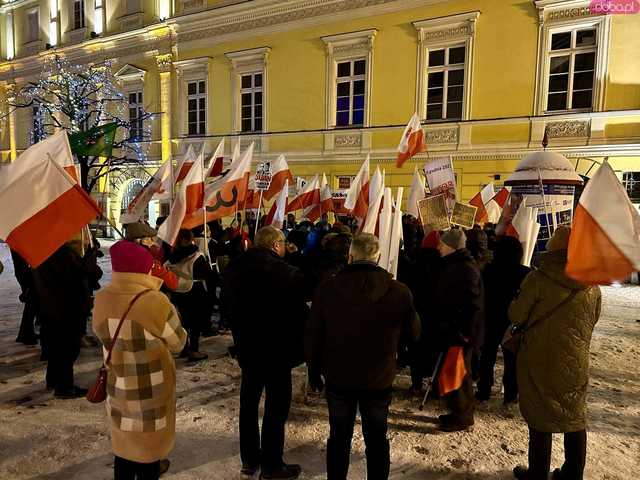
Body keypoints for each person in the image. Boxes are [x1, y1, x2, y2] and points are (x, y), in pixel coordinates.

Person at [306, 233, 420, 480]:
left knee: (339, 436)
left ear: (351, 256)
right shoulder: (399, 291)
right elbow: (414, 334)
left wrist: (314, 375)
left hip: (339, 376)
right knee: (377, 437)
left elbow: (314, 336)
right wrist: (398, 359)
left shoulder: (327, 289)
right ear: (378, 257)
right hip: (378, 377)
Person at [509, 226, 601, 480]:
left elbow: (517, 315)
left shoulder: (538, 279)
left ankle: (537, 474)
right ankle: (573, 473)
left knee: (540, 418)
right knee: (575, 418)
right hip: (576, 360)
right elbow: (593, 319)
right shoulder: (592, 284)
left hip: (539, 360)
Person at [93, 240, 187, 480]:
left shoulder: (102, 298)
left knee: (124, 449)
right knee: (148, 453)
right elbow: (179, 343)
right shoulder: (155, 302)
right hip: (151, 390)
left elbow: (102, 335)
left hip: (119, 384)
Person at [224, 226, 308, 480]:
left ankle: (249, 459)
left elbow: (227, 307)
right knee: (276, 408)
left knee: (248, 405)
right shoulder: (287, 273)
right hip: (277, 351)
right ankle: (272, 464)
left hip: (247, 349)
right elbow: (300, 309)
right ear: (276, 245)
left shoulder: (234, 268)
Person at [433, 229, 484, 432]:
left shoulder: (465, 269)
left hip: (461, 332)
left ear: (451, 246)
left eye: (442, 244)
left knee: (460, 374)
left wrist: (465, 332)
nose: (438, 247)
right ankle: (458, 412)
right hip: (455, 329)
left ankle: (462, 416)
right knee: (456, 372)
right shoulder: (456, 265)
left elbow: (473, 305)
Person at [32, 237, 92, 398]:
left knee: (56, 347)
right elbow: (76, 276)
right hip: (67, 309)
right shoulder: (62, 255)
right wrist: (87, 258)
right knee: (68, 349)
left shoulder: (40, 253)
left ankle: (53, 380)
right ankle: (65, 386)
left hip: (50, 309)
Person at [476, 236, 530, 404]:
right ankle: (511, 393)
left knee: (487, 356)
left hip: (491, 318)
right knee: (512, 358)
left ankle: (484, 390)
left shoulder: (488, 270)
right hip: (514, 321)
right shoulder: (525, 273)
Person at [165, 229, 213, 362]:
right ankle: (194, 349)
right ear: (188, 239)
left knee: (183, 321)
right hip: (195, 290)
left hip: (178, 290)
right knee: (196, 322)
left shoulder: (172, 256)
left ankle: (183, 348)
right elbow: (206, 274)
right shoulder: (197, 255)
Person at [123, 221, 179, 292]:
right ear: (143, 241)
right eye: (151, 238)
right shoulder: (146, 261)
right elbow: (173, 283)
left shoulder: (121, 257)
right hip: (146, 298)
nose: (153, 241)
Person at [11, 249, 39, 345]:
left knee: (31, 302)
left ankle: (25, 333)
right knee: (31, 302)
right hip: (26, 272)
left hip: (25, 271)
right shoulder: (19, 242)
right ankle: (26, 334)